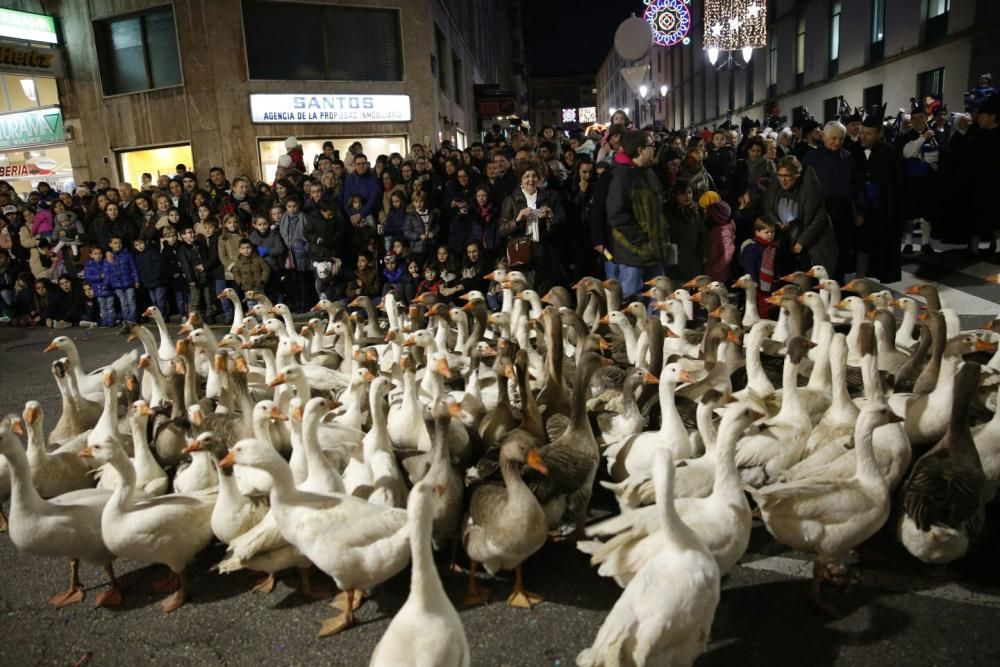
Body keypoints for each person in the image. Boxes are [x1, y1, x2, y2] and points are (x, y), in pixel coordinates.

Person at [604, 130, 670, 298]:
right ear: (641, 150)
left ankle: (654, 324)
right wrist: (639, 239)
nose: (654, 150)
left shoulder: (649, 172)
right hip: (632, 251)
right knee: (631, 296)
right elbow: (617, 215)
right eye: (651, 146)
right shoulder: (621, 176)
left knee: (659, 296)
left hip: (654, 248)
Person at [802, 121, 864, 281]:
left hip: (844, 211)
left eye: (841, 139)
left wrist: (860, 211)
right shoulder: (811, 157)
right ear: (824, 137)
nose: (837, 142)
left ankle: (838, 281)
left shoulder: (849, 157)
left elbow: (857, 186)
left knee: (843, 248)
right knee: (821, 248)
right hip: (820, 211)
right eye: (834, 138)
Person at [763, 156, 838, 276]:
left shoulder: (809, 189)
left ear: (796, 175)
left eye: (787, 176)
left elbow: (819, 218)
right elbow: (768, 208)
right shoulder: (775, 187)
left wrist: (802, 241)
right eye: (780, 175)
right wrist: (776, 223)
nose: (783, 180)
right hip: (786, 240)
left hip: (811, 244)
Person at [498, 160, 565, 291]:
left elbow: (560, 224)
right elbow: (502, 230)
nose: (531, 180)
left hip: (543, 252)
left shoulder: (548, 198)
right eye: (526, 176)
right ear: (520, 179)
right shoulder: (511, 199)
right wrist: (517, 220)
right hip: (521, 253)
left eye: (534, 176)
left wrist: (551, 217)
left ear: (539, 178)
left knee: (542, 291)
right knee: (522, 293)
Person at [855, 107, 903, 282]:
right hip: (862, 208)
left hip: (883, 207)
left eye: (868, 133)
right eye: (862, 132)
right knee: (862, 245)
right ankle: (859, 278)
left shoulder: (890, 153)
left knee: (883, 243)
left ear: (879, 134)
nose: (863, 136)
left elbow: (896, 185)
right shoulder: (853, 151)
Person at [664, 179, 706, 281]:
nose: (687, 196)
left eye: (689, 192)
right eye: (682, 193)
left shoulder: (695, 213)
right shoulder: (667, 214)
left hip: (691, 263)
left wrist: (701, 256)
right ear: (675, 195)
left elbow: (702, 235)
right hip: (673, 263)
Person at [279, 197, 312, 312]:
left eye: (294, 206)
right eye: (289, 207)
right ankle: (296, 302)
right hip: (289, 253)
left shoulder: (304, 217)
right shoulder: (284, 218)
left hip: (301, 253)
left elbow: (308, 235)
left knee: (303, 279)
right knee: (292, 280)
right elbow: (282, 234)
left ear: (298, 206)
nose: (292, 209)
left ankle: (304, 303)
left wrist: (304, 249)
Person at [741, 218, 779, 316]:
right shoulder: (753, 248)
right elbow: (750, 266)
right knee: (756, 304)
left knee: (766, 304)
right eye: (767, 232)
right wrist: (753, 281)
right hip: (757, 283)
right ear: (757, 232)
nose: (770, 235)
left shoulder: (772, 247)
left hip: (768, 283)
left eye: (772, 232)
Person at [178, 226, 216, 322]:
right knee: (196, 299)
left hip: (205, 275)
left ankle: (210, 315)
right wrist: (190, 279)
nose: (192, 234)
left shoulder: (200, 245)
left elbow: (206, 258)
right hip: (195, 277)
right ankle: (194, 317)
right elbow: (185, 265)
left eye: (193, 232)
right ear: (183, 236)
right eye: (189, 232)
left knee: (208, 297)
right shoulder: (182, 249)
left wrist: (206, 267)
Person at [249, 214, 286, 304]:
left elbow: (280, 249)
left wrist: (266, 251)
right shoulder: (252, 237)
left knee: (276, 289)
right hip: (259, 268)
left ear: (268, 223)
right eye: (260, 224)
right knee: (264, 291)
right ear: (255, 225)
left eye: (265, 224)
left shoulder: (274, 234)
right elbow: (250, 250)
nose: (262, 227)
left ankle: (278, 307)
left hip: (273, 266)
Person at [104, 235, 140, 325]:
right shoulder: (109, 257)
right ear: (110, 244)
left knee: (131, 301)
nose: (118, 245)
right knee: (123, 303)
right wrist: (106, 284)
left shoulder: (128, 255)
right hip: (117, 285)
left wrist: (136, 280)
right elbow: (107, 272)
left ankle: (133, 320)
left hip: (129, 283)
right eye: (115, 243)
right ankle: (127, 320)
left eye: (120, 243)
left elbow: (134, 268)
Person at [132, 237, 168, 316]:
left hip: (158, 281)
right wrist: (144, 280)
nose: (140, 246)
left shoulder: (153, 252)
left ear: (145, 243)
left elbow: (158, 266)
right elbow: (140, 270)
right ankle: (158, 316)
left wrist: (156, 277)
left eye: (141, 243)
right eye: (137, 245)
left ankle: (163, 315)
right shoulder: (138, 257)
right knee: (154, 301)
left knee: (160, 300)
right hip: (148, 283)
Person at [82, 247, 116, 327]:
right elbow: (88, 276)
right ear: (91, 255)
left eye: (100, 253)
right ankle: (104, 322)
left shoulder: (106, 263)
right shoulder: (88, 265)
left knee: (110, 307)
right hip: (98, 291)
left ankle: (111, 322)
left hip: (109, 290)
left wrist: (106, 284)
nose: (98, 256)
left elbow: (110, 274)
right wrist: (99, 276)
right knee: (103, 307)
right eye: (95, 254)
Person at [160, 227, 189, 319]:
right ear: (165, 238)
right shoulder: (165, 251)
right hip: (176, 279)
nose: (172, 238)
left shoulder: (182, 246)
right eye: (168, 236)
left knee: (189, 298)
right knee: (180, 298)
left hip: (186, 275)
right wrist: (174, 274)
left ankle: (190, 314)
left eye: (173, 236)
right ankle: (183, 315)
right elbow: (164, 267)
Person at [704, 200, 735, 282]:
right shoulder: (714, 229)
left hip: (717, 275)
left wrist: (717, 267)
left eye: (708, 213)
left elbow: (729, 252)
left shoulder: (724, 231)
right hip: (710, 269)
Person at [403, 191, 439, 259]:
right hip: (417, 248)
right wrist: (418, 236)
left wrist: (433, 233)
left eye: (421, 201)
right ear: (413, 202)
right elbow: (406, 232)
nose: (419, 204)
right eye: (416, 202)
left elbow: (437, 226)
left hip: (431, 247)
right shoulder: (410, 216)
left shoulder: (432, 214)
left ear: (425, 201)